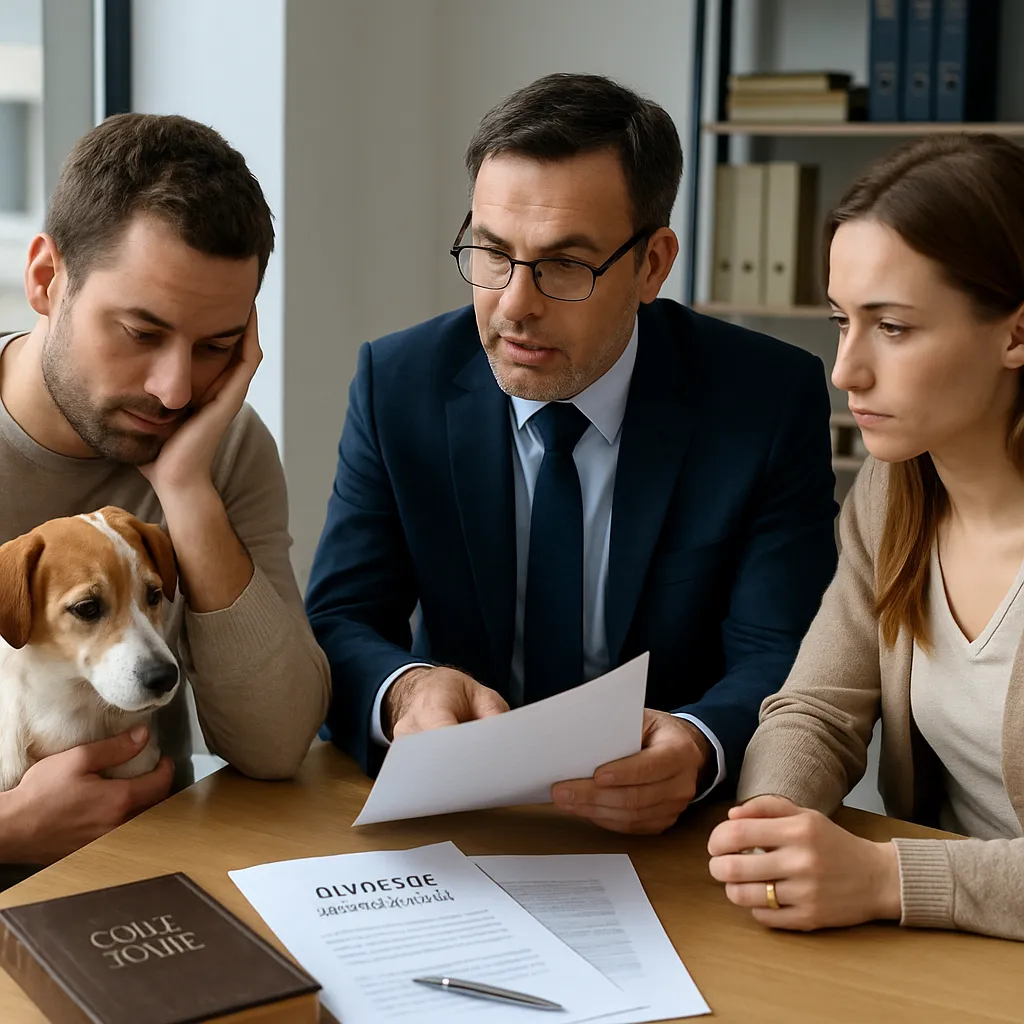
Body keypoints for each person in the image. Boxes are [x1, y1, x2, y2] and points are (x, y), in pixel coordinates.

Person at [307, 73, 837, 835]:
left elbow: (784, 651)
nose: (516, 304)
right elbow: (339, 618)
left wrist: (699, 742)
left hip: (671, 836)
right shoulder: (399, 385)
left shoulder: (764, 399)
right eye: (491, 253)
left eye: (564, 266)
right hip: (457, 820)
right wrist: (405, 690)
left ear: (652, 265)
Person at [708, 133, 1024, 942]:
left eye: (892, 327)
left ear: (1016, 335)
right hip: (951, 955)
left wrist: (886, 877)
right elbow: (817, 708)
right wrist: (773, 820)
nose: (845, 370)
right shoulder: (894, 492)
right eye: (841, 320)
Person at [0, 113, 330, 882]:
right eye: (141, 333)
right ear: (46, 280)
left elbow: (276, 746)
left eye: (217, 346)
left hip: (151, 893)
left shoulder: (224, 450)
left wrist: (185, 491)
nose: (175, 389)